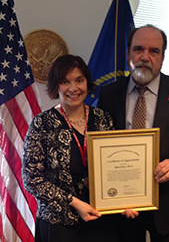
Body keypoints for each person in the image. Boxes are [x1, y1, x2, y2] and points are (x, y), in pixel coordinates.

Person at [97, 24, 169, 242]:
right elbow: (101, 142)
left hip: (168, 203)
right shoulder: (109, 93)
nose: (145, 56)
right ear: (128, 53)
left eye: (154, 51)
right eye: (138, 49)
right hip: (124, 204)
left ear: (162, 56)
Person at [22, 54, 119, 242]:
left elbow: (115, 166)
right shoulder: (41, 124)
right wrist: (75, 203)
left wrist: (125, 199)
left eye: (79, 80)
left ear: (87, 83)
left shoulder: (103, 119)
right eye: (65, 82)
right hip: (59, 223)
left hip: (100, 217)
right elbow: (31, 179)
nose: (73, 88)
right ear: (56, 86)